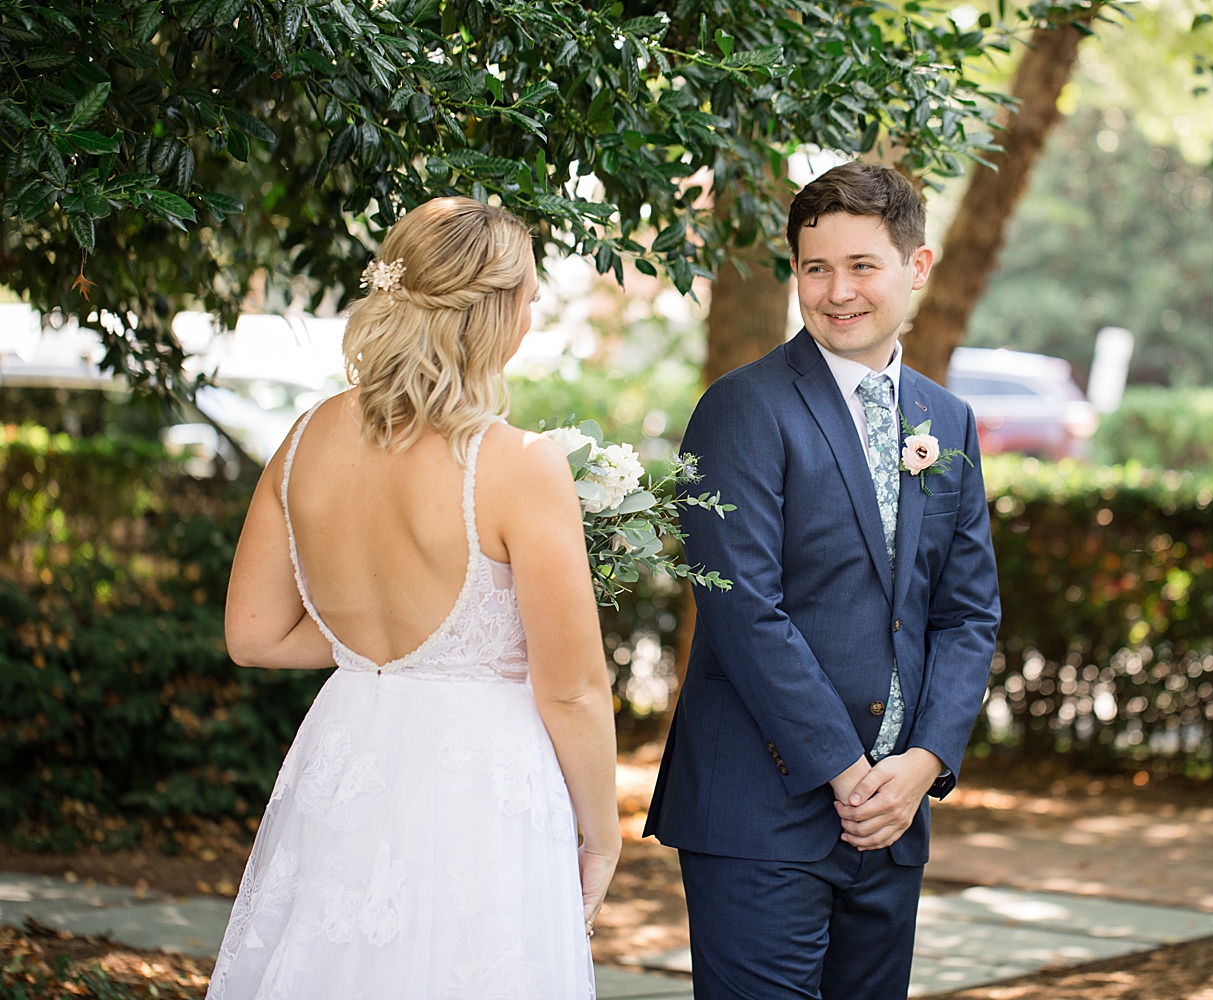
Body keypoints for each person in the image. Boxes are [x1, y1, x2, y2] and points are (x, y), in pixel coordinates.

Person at [210, 197, 619, 1000]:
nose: (534, 316)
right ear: (493, 312)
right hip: (479, 784)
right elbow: (571, 687)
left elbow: (252, 636)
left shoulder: (305, 438)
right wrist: (601, 838)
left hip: (349, 753)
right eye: (531, 298)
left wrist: (381, 648)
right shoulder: (519, 465)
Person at [645, 162, 1002, 998]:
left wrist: (923, 763)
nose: (836, 291)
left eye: (862, 266)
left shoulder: (944, 420)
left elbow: (967, 613)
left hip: (895, 819)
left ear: (917, 267)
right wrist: (848, 772)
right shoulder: (743, 407)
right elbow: (742, 610)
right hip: (760, 813)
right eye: (815, 268)